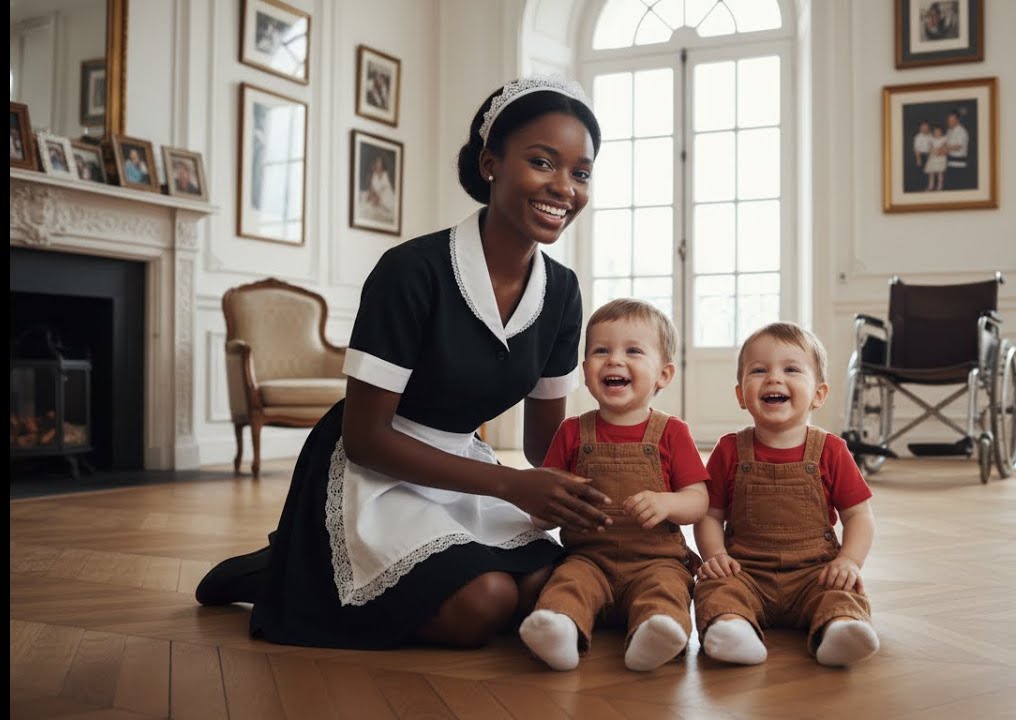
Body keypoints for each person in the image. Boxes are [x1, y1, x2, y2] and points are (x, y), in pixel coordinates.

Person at [195, 75, 607, 651]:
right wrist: (510, 484)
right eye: (542, 162)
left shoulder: (561, 292)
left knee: (547, 582)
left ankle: (304, 566)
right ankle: (288, 569)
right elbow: (366, 439)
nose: (563, 187)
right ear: (490, 163)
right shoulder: (411, 271)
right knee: (485, 603)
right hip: (376, 468)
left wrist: (629, 470)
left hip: (465, 471)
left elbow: (545, 448)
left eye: (580, 173)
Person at [519, 298, 709, 672]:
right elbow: (546, 498)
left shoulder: (672, 432)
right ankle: (559, 630)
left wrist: (668, 503)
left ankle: (656, 633)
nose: (614, 360)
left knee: (667, 589)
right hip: (588, 558)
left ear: (664, 374)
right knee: (567, 583)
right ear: (585, 370)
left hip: (657, 561)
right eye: (601, 351)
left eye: (633, 351)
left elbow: (698, 500)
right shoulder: (572, 431)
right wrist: (545, 512)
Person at [693, 322, 879, 668]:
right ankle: (732, 628)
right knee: (715, 588)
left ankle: (840, 629)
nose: (774, 379)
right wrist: (715, 555)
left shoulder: (832, 451)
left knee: (841, 591)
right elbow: (709, 514)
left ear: (819, 394)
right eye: (759, 370)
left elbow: (859, 515)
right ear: (741, 395)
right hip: (745, 571)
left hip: (815, 573)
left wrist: (849, 561)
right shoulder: (729, 450)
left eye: (791, 369)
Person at [360, 154, 395, 221]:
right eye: (377, 163)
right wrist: (373, 194)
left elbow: (385, 187)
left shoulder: (385, 174)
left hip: (385, 193)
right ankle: (378, 204)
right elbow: (371, 186)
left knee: (384, 201)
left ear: (382, 164)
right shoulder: (373, 174)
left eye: (380, 163)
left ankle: (384, 207)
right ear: (375, 163)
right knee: (367, 199)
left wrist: (378, 195)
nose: (379, 165)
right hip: (376, 193)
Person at [945, 110, 972, 188]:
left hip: (959, 165)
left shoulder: (962, 131)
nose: (950, 122)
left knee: (958, 187)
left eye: (952, 121)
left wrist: (945, 148)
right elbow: (946, 143)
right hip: (950, 163)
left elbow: (958, 146)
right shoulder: (949, 131)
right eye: (949, 121)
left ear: (957, 120)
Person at [924, 123, 949, 191]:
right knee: (931, 173)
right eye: (935, 132)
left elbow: (945, 148)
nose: (937, 133)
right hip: (933, 158)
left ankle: (939, 186)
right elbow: (929, 148)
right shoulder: (931, 139)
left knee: (940, 173)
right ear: (933, 132)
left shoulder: (944, 139)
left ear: (941, 132)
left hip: (940, 158)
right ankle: (931, 186)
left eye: (938, 132)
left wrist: (941, 151)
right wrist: (933, 151)